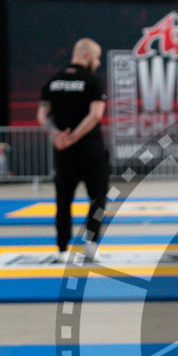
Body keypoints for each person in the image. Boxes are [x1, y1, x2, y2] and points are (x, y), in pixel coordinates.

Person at [37, 37, 109, 263]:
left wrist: (57, 136)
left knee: (63, 200)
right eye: (96, 58)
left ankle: (61, 248)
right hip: (90, 150)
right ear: (86, 56)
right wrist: (74, 137)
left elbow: (42, 116)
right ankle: (91, 245)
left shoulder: (53, 81)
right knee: (98, 198)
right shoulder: (93, 81)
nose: (97, 63)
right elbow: (96, 115)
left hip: (63, 153)